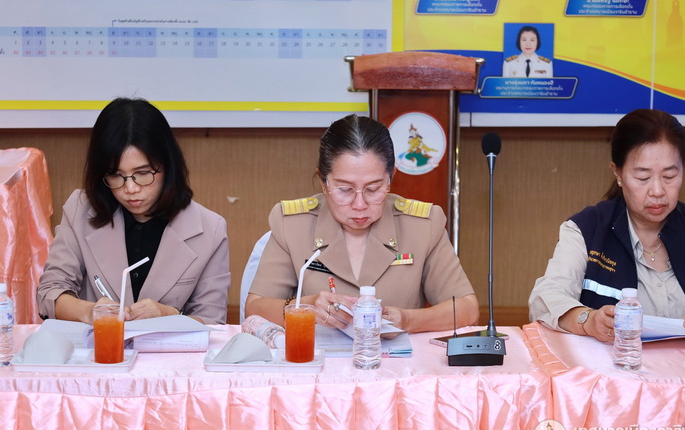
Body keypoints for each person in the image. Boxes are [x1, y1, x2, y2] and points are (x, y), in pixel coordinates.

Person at [529, 109, 685, 342]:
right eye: (643, 177)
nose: (657, 191)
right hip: (613, 364)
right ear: (618, 173)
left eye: (669, 176)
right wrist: (587, 320)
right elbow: (545, 300)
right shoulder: (585, 230)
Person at [245, 115, 479, 333]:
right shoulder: (292, 224)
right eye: (345, 189)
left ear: (390, 179)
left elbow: (467, 309)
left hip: (396, 361)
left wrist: (408, 320)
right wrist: (306, 307)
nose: (359, 204)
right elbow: (255, 308)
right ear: (323, 182)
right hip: (317, 359)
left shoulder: (422, 226)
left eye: (373, 189)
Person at [37, 98, 230, 325]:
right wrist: (89, 311)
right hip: (98, 346)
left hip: (169, 348)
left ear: (168, 166)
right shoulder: (80, 210)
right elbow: (50, 292)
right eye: (115, 175)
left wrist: (169, 315)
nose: (130, 189)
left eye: (143, 173)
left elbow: (212, 323)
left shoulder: (210, 229)